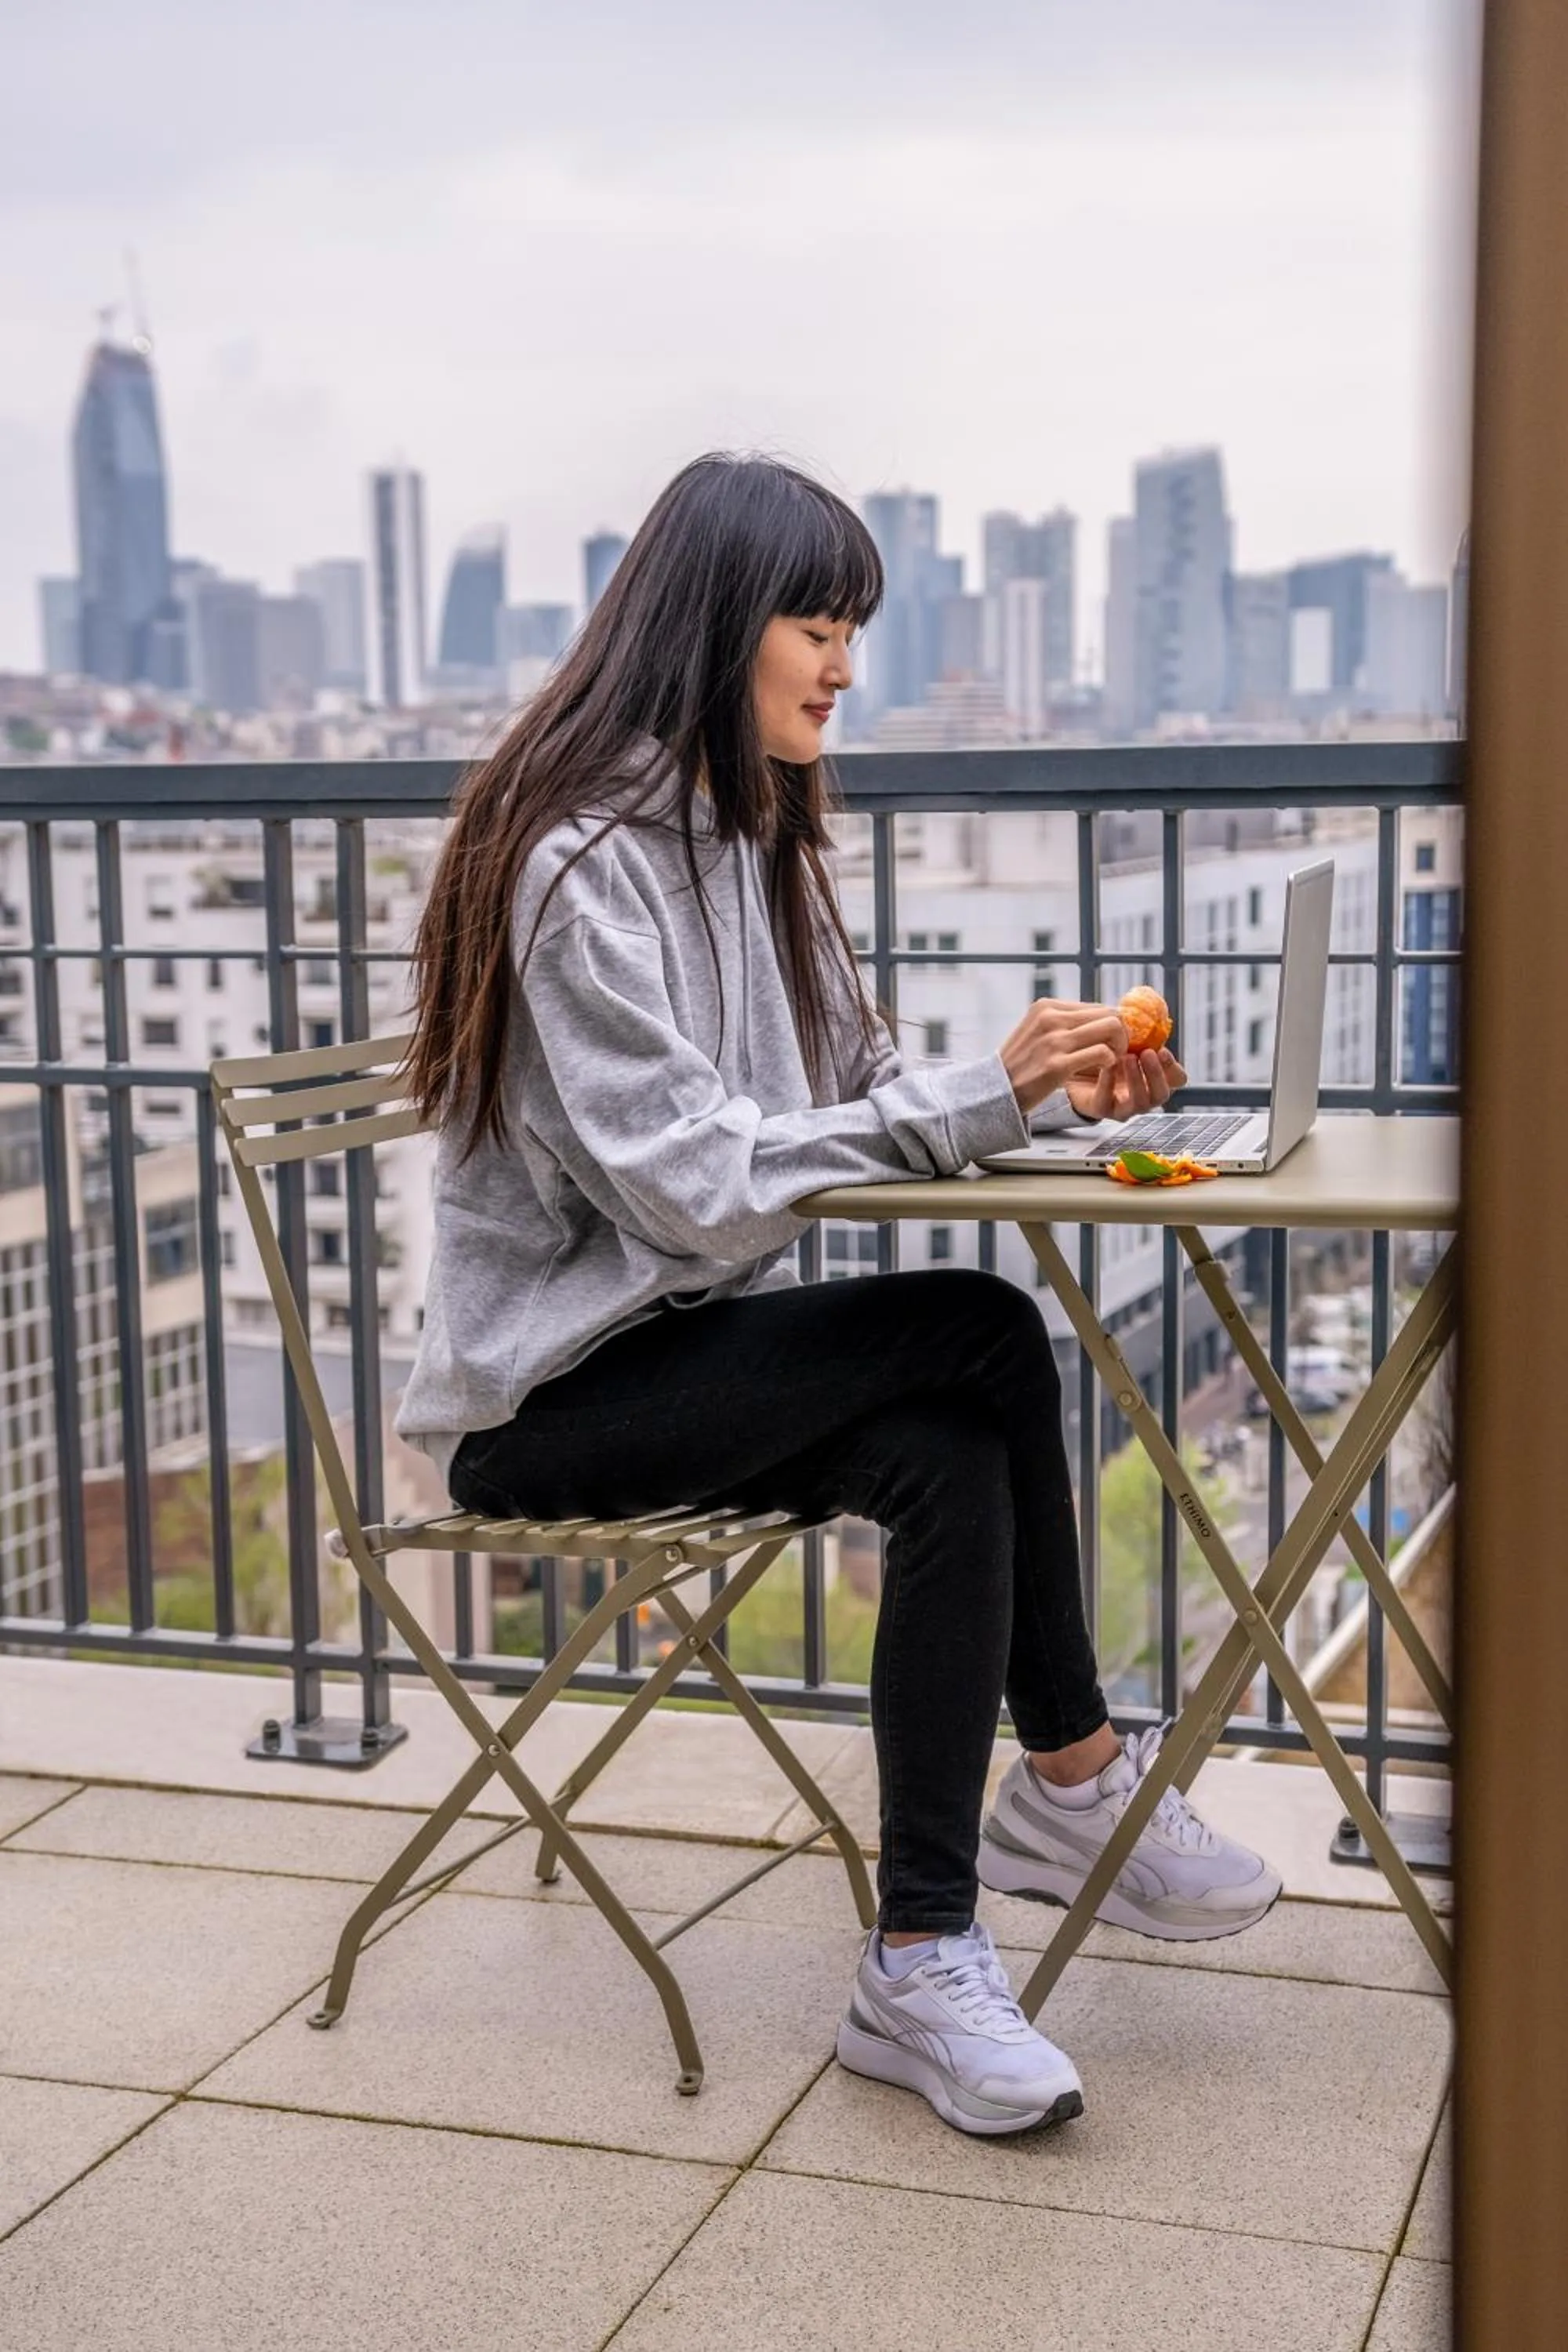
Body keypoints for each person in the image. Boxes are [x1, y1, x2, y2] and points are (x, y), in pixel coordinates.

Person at [397, 452, 1282, 2140]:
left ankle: (923, 1954)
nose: (843, 667)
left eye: (850, 630)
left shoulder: (756, 840)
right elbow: (692, 1184)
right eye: (816, 626)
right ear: (715, 625)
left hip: (681, 1353)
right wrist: (977, 1103)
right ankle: (1077, 1775)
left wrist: (1050, 1096)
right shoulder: (577, 866)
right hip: (545, 1400)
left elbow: (859, 1081)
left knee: (948, 1447)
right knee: (980, 1328)